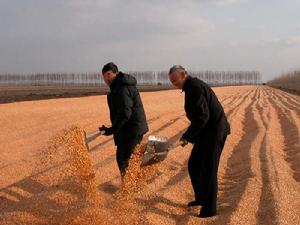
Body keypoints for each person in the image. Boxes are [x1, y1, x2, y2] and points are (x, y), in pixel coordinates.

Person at [168, 65, 231, 218]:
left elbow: (203, 116)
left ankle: (209, 210)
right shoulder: (191, 87)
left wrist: (187, 136)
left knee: (209, 170)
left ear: (184, 74)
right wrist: (190, 136)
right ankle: (201, 198)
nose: (175, 85)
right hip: (206, 133)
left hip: (214, 132)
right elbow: (200, 117)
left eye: (176, 81)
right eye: (172, 82)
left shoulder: (194, 87)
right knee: (194, 165)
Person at [99, 62, 149, 177]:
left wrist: (112, 129)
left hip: (132, 128)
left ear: (115, 73)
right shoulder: (119, 86)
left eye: (108, 74)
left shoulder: (122, 87)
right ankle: (132, 184)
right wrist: (110, 129)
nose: (106, 78)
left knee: (124, 159)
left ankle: (129, 188)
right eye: (104, 76)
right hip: (129, 128)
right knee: (125, 157)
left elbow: (125, 113)